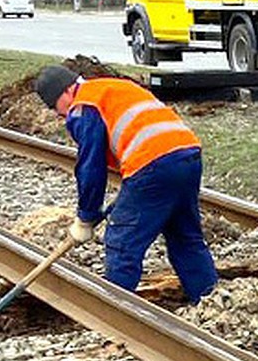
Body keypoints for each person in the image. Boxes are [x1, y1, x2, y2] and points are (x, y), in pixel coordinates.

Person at [33, 65, 218, 303]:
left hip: (152, 162)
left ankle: (119, 317)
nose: (58, 114)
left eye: (53, 106)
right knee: (185, 236)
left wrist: (86, 216)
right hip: (187, 154)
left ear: (67, 92)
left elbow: (91, 167)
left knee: (121, 241)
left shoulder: (83, 106)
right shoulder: (113, 87)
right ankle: (209, 300)